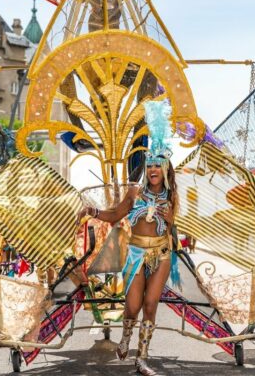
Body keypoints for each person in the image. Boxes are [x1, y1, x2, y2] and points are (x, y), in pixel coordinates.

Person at [78, 134, 180, 374]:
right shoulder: (135, 192)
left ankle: (141, 357)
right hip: (135, 254)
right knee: (133, 307)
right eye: (150, 165)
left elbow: (172, 228)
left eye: (158, 165)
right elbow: (114, 216)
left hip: (162, 254)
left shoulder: (171, 196)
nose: (153, 169)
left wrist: (171, 219)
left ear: (166, 169)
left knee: (151, 304)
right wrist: (92, 210)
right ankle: (125, 337)